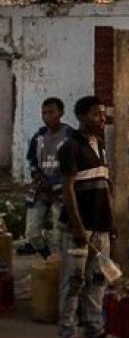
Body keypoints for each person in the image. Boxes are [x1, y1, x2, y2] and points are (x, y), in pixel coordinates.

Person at [57, 95, 120, 338]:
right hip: (79, 228)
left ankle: (95, 329)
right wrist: (77, 226)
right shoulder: (70, 147)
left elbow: (105, 186)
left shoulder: (100, 145)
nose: (101, 119)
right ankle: (68, 333)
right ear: (82, 117)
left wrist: (111, 221)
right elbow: (68, 189)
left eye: (103, 114)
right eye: (96, 115)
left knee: (97, 278)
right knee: (74, 280)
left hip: (100, 225)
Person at [25, 96, 69, 258]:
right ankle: (47, 258)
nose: (46, 117)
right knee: (32, 232)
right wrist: (37, 175)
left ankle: (57, 268)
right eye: (43, 113)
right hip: (40, 190)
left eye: (51, 112)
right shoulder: (39, 137)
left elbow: (72, 167)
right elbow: (32, 161)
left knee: (59, 235)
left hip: (61, 193)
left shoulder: (69, 136)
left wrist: (55, 185)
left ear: (61, 113)